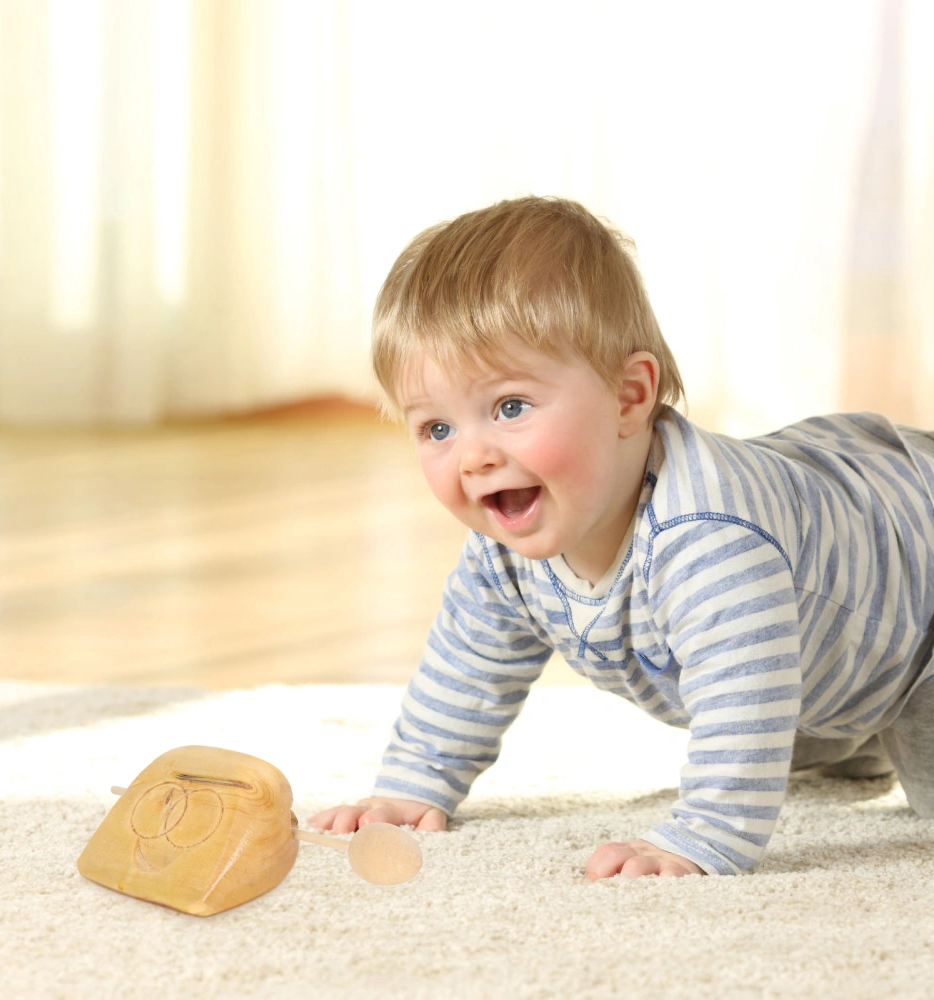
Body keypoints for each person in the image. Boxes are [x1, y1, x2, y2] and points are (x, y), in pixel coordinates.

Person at [309, 195, 934, 878]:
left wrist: (704, 836)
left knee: (789, 718)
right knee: (799, 724)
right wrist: (413, 782)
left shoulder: (709, 539)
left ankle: (879, 716)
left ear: (629, 397)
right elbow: (469, 663)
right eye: (436, 428)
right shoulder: (504, 552)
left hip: (917, 596)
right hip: (826, 646)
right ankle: (859, 728)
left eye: (509, 407)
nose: (473, 456)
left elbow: (743, 697)